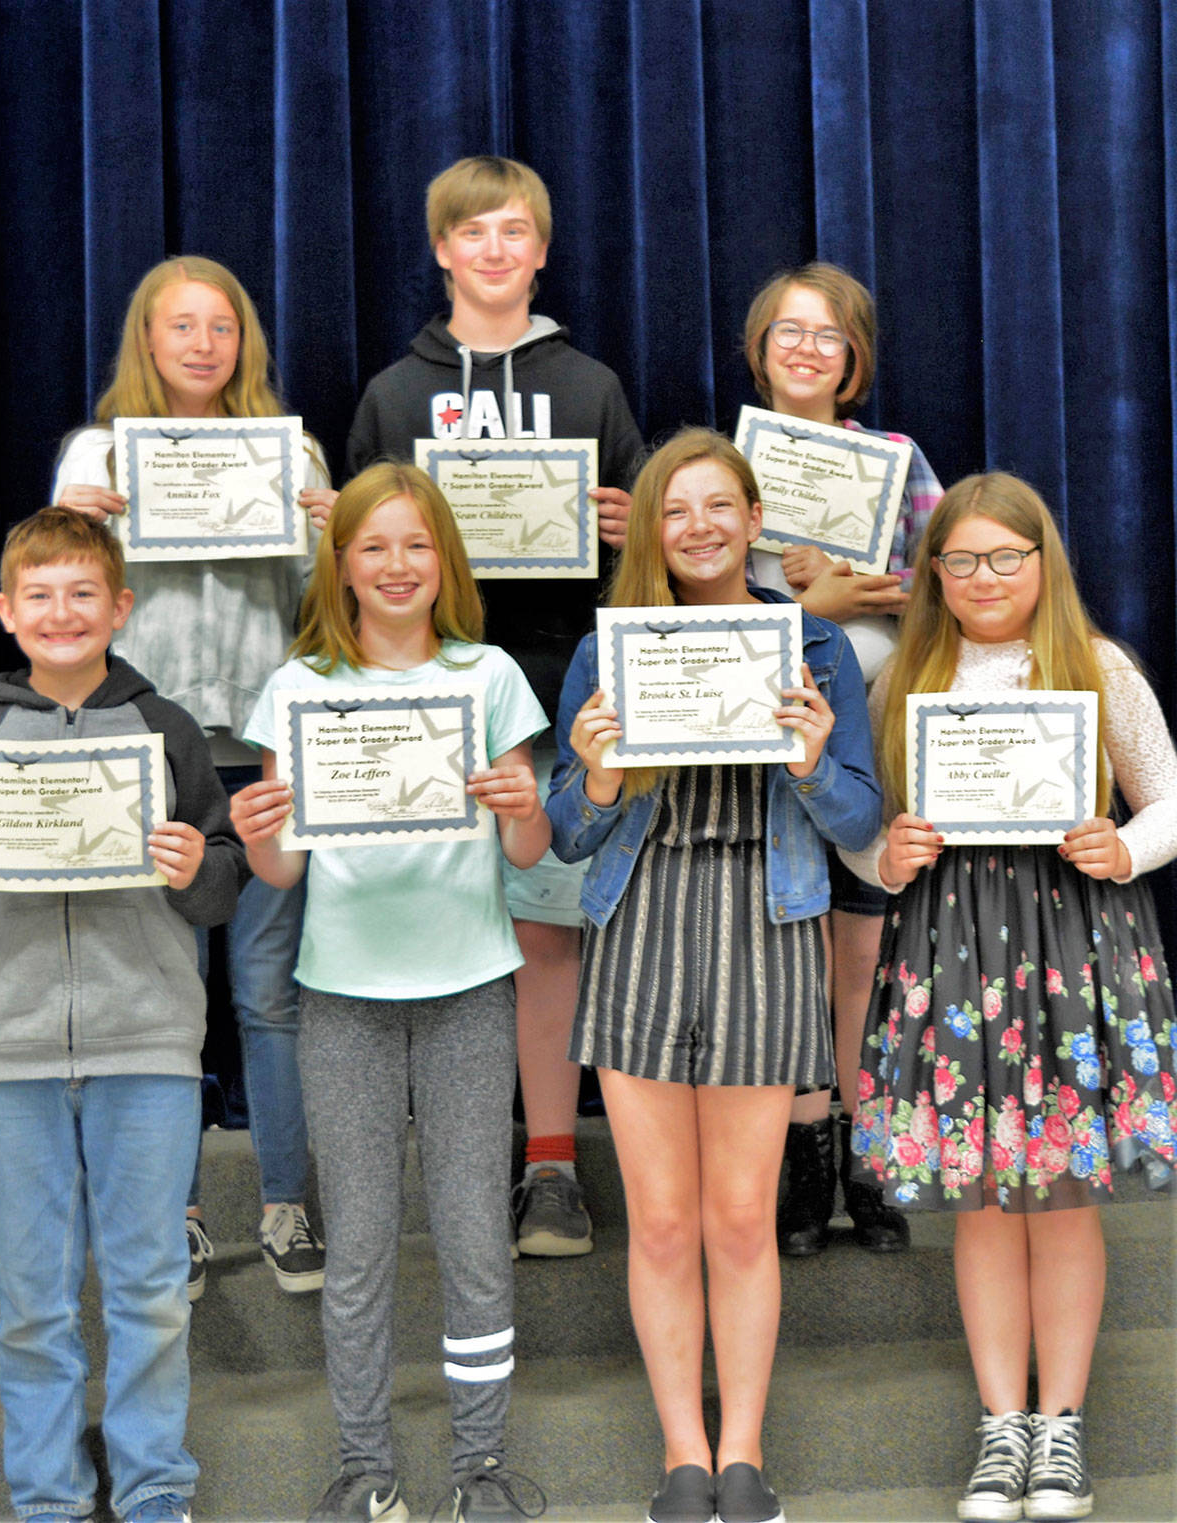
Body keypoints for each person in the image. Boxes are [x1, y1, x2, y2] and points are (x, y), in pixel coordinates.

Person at [547, 428, 881, 1523]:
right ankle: (681, 1455)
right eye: (672, 510)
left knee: (739, 1217)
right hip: (643, 923)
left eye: (715, 506)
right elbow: (563, 833)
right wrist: (596, 781)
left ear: (750, 518)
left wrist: (810, 764)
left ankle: (742, 1455)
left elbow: (859, 822)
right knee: (660, 1219)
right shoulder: (609, 652)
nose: (695, 527)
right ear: (650, 527)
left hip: (767, 921)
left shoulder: (819, 648)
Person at [840, 473, 1177, 1522]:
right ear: (931, 571)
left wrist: (1120, 844)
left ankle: (1060, 1425)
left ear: (1042, 564)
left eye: (1005, 558)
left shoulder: (1096, 664)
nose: (983, 578)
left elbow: (1169, 797)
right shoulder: (905, 675)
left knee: (1060, 1191)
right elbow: (860, 827)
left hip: (1069, 948)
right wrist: (882, 852)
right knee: (982, 1196)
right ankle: (1000, 1425)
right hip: (947, 954)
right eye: (961, 559)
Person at [0, 508, 245, 1523]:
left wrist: (197, 864)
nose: (62, 612)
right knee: (33, 1303)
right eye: (39, 595)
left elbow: (220, 880)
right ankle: (47, 1497)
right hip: (12, 1052)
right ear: (7, 612)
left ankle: (151, 1486)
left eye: (82, 592)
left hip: (148, 1043)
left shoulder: (165, 726)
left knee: (145, 1289)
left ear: (119, 606)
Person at [230, 463, 550, 1523]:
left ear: (444, 560)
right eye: (374, 546)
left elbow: (529, 845)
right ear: (343, 566)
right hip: (343, 997)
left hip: (468, 988)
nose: (397, 564)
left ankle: (480, 1466)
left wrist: (520, 805)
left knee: (470, 1237)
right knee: (357, 1244)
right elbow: (281, 872)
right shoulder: (297, 685)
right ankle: (364, 1465)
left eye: (416, 545)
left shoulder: (490, 672)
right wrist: (254, 835)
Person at [346, 155, 645, 1257]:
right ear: (440, 249)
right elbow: (360, 552)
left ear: (540, 250)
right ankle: (432, 1171)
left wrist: (628, 527)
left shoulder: (592, 386)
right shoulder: (390, 392)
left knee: (544, 929)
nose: (492, 250)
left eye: (513, 232)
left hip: (556, 683)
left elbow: (645, 567)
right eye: (471, 233)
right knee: (422, 928)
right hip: (418, 693)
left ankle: (551, 1164)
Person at [53, 256, 331, 1298]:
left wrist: (327, 524)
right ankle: (166, 1214)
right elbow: (63, 598)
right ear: (148, 340)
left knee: (267, 992)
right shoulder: (98, 450)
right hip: (140, 751)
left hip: (261, 750)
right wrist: (82, 519)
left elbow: (322, 603)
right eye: (183, 326)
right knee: (162, 998)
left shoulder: (289, 450)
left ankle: (285, 1203)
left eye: (222, 326)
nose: (204, 343)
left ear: (243, 343)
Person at [742, 261, 944, 1256]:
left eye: (826, 335)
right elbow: (685, 616)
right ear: (759, 347)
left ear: (852, 357)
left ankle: (865, 1154)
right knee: (786, 960)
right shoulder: (725, 470)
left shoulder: (898, 464)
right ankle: (799, 1163)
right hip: (761, 768)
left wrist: (884, 586)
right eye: (788, 330)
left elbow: (958, 583)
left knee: (859, 957)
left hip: (869, 750)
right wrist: (802, 609)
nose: (806, 350)